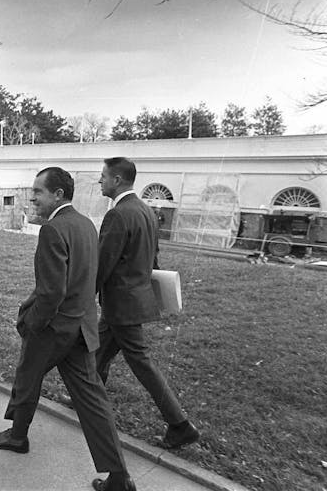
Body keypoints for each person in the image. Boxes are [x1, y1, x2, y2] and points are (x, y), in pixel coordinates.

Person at [0, 167, 136, 491]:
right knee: (93, 401)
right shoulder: (86, 225)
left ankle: (17, 437)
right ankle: (119, 476)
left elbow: (51, 292)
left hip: (54, 328)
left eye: (38, 191)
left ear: (58, 195)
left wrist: (32, 324)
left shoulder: (52, 230)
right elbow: (89, 279)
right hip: (82, 327)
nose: (33, 197)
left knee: (27, 374)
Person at [95, 157, 199, 450]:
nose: (100, 181)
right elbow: (153, 258)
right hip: (132, 301)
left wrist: (83, 296)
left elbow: (103, 263)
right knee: (96, 357)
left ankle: (180, 424)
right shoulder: (146, 211)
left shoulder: (118, 215)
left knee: (142, 364)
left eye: (103, 176)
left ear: (117, 180)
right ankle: (88, 401)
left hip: (121, 307)